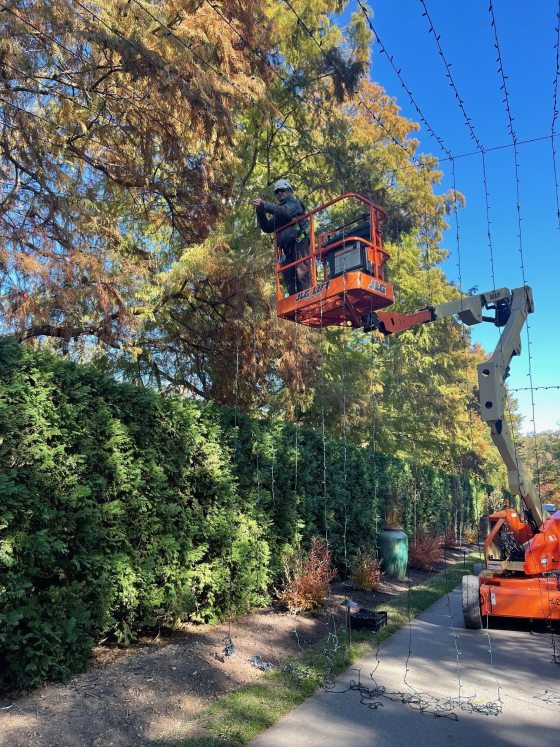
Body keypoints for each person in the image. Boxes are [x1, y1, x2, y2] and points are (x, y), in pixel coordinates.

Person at [252, 179, 310, 295]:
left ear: (289, 191)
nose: (279, 193)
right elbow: (267, 227)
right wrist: (260, 211)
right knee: (289, 278)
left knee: (301, 274)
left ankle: (307, 298)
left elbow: (285, 212)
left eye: (282, 190)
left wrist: (265, 205)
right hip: (287, 249)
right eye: (277, 192)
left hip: (299, 244)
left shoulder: (294, 203)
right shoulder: (279, 212)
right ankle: (295, 306)